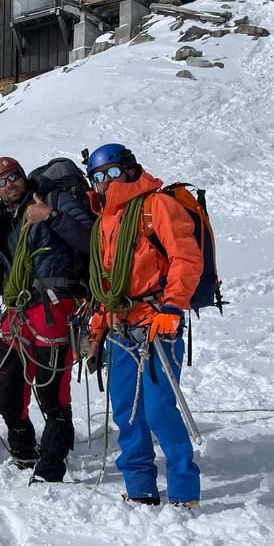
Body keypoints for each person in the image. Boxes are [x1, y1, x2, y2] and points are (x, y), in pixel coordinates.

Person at [0, 157, 93, 482]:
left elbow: (91, 240)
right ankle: (23, 449)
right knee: (8, 391)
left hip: (54, 307)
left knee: (52, 394)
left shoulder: (53, 200)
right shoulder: (3, 225)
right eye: (0, 182)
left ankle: (51, 467)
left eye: (13, 176)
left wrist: (53, 217)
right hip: (17, 313)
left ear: (23, 176)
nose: (9, 184)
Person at [84, 143, 203, 507]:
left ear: (130, 170)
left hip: (156, 322)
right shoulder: (104, 221)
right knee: (126, 411)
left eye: (112, 173)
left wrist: (172, 306)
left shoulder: (157, 206)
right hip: (120, 327)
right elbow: (108, 282)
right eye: (98, 176)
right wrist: (98, 325)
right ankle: (140, 488)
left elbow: (186, 256)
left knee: (158, 409)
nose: (105, 183)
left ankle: (183, 490)